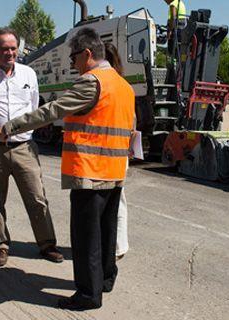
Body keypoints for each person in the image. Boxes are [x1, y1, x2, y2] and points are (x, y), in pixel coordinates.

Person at [0, 28, 135, 311]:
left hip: (90, 171)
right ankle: (105, 279)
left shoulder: (91, 83)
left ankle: (88, 295)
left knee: (85, 238)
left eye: (74, 56)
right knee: (106, 232)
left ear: (88, 54)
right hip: (114, 172)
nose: (72, 62)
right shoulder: (122, 85)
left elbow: (51, 111)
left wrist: (10, 127)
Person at [0, 27, 63, 266]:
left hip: (25, 147)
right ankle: (1, 245)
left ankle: (47, 244)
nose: (10, 53)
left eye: (13, 48)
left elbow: (34, 107)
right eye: (4, 49)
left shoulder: (28, 74)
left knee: (37, 198)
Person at [104, 42, 129, 260]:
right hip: (120, 152)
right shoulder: (125, 86)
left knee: (111, 203)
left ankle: (114, 247)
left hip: (106, 154)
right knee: (117, 200)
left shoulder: (104, 85)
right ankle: (117, 246)